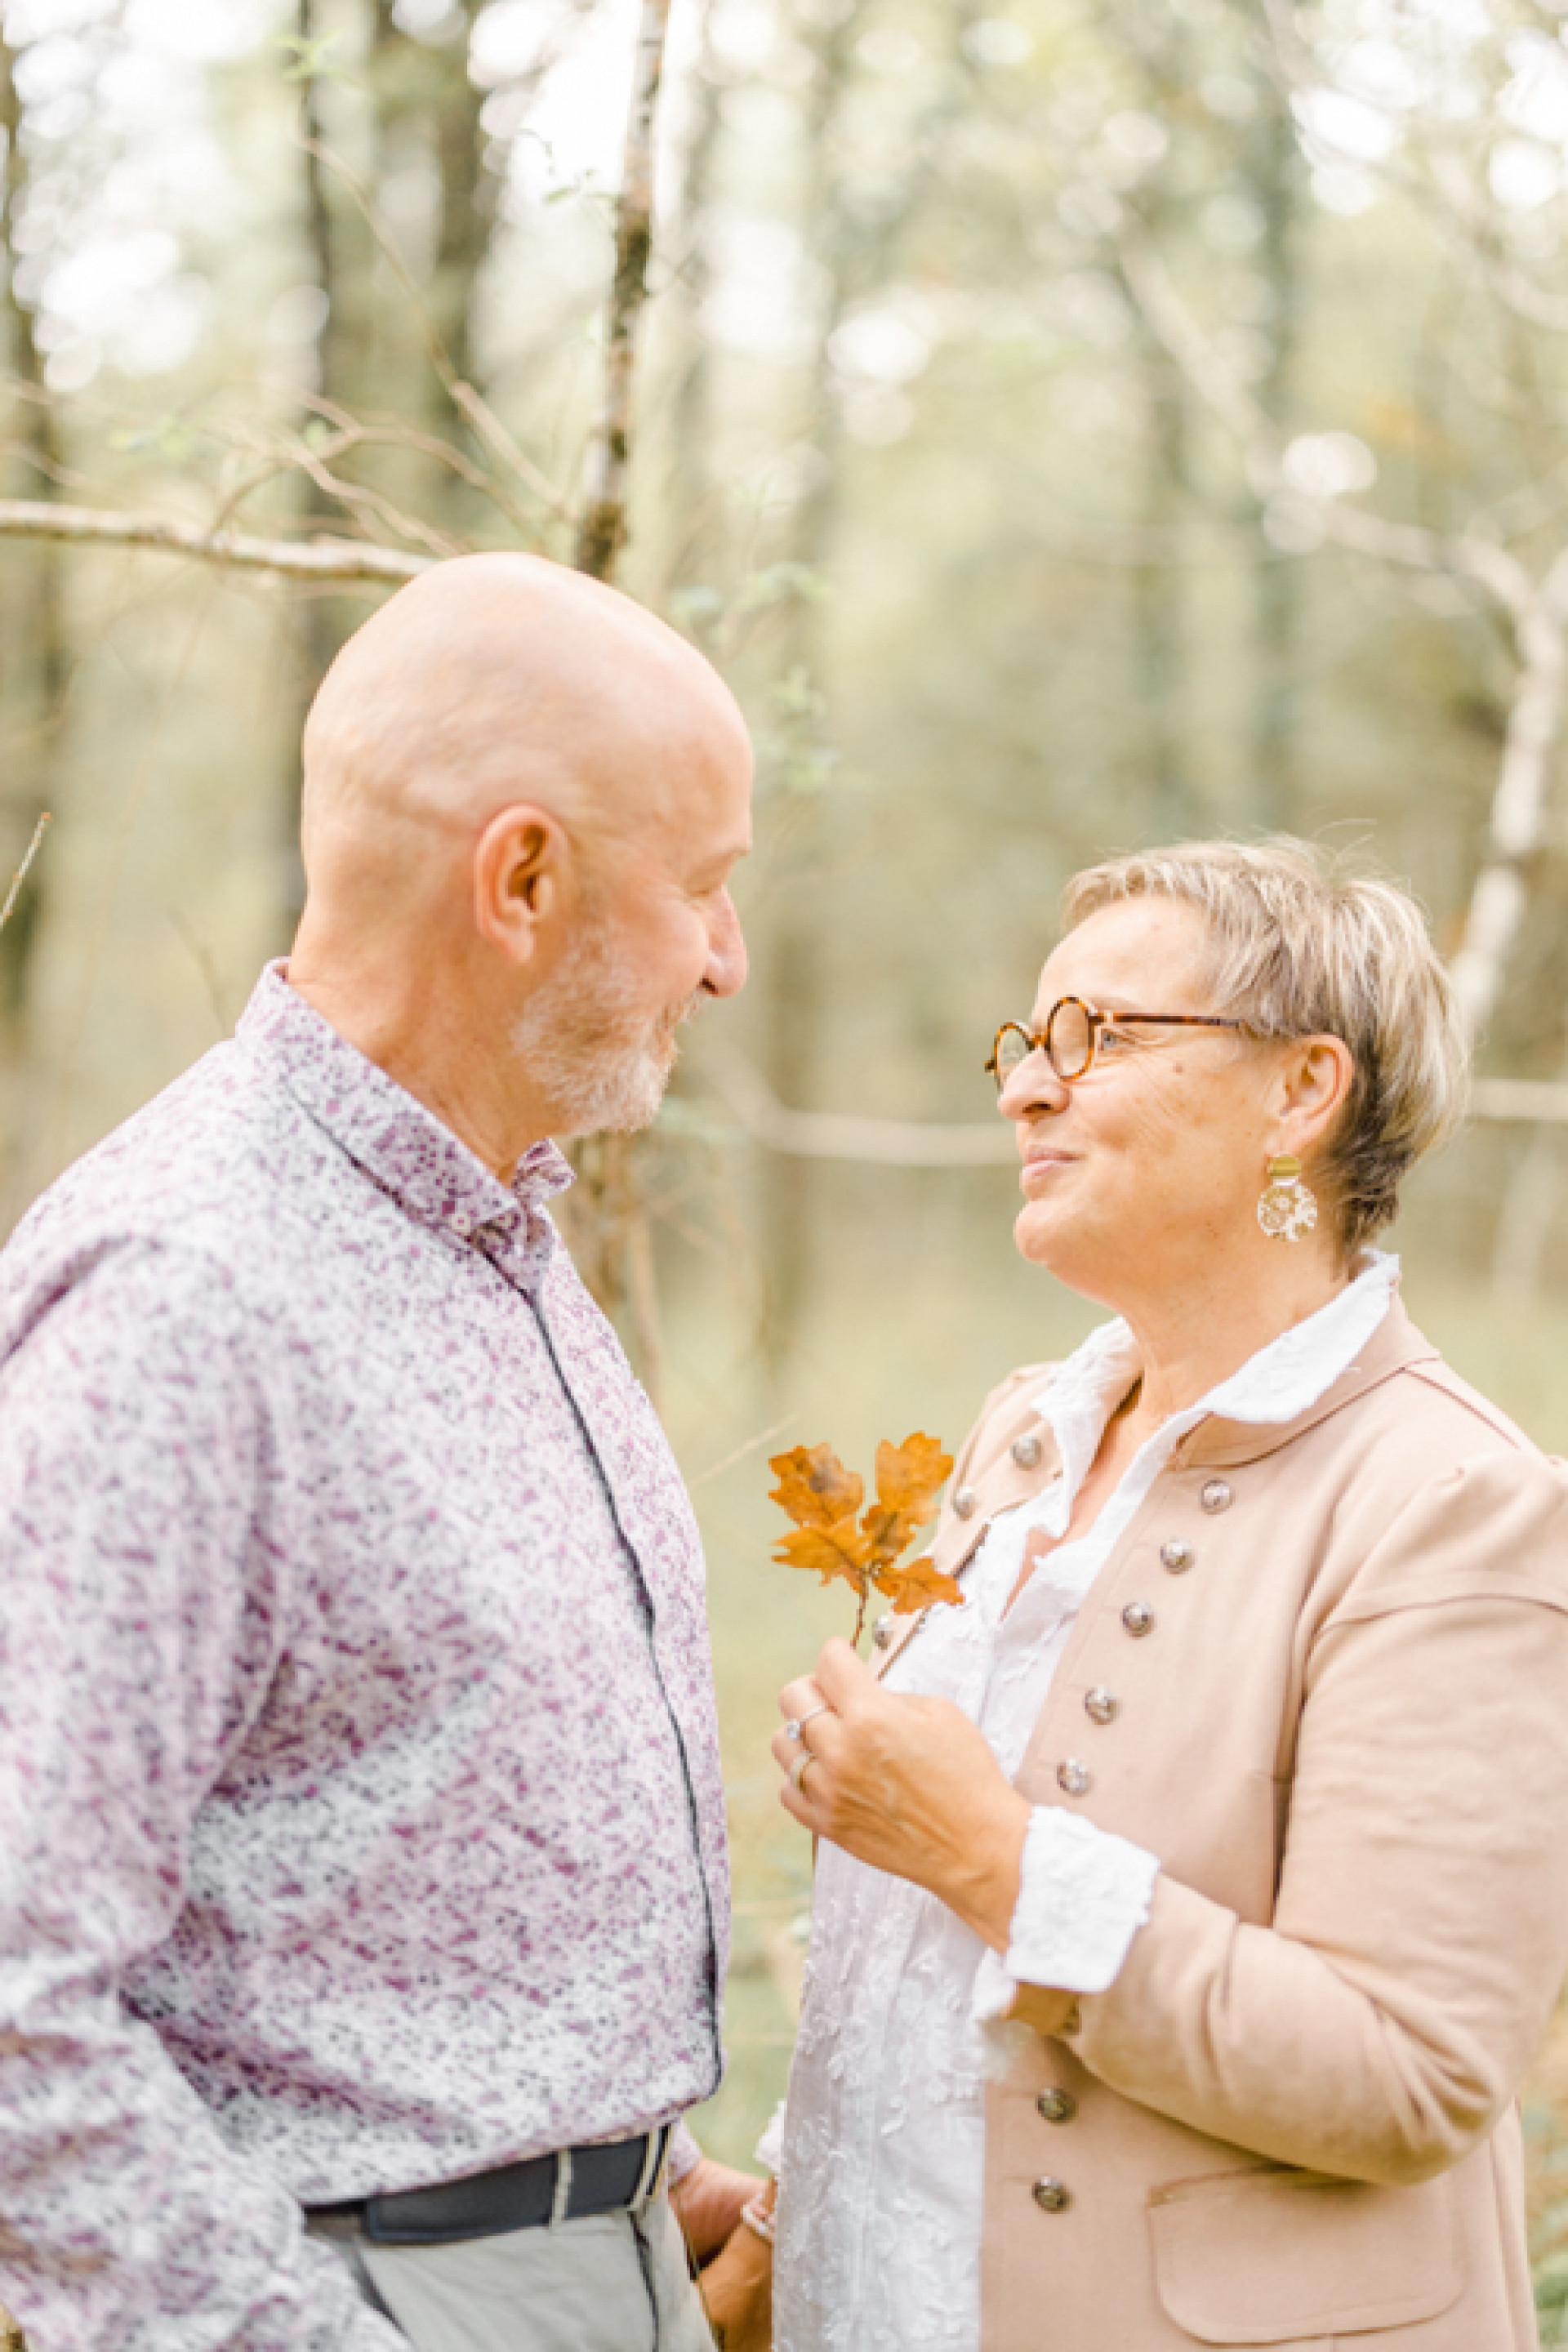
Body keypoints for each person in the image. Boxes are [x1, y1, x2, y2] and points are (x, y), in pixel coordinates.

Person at [0, 551, 762, 2352]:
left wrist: (595, 2158)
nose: (728, 961)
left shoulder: (493, 1241)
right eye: (708, 889)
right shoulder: (190, 1299)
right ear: (522, 880)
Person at [728, 839, 1568, 2351]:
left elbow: (1412, 2070)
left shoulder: (1456, 1507)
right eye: (1024, 1043)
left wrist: (988, 1854)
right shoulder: (1023, 1439)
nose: (1024, 1089)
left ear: (1303, 1095)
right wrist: (782, 2247)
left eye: (1094, 1038)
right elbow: (911, 1993)